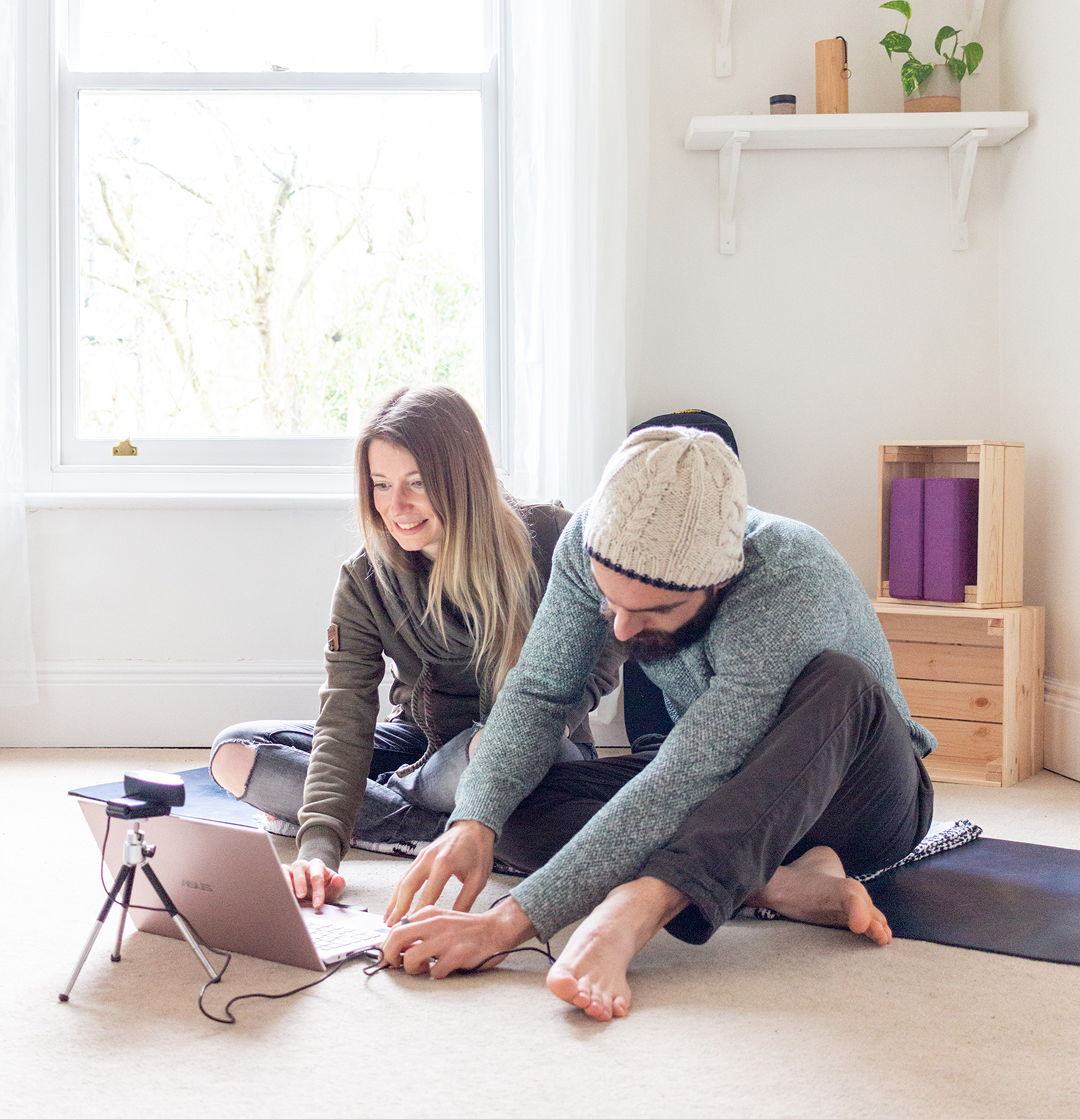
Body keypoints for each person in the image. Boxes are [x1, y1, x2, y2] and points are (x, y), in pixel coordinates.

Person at [377, 426, 937, 1021]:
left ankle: (643, 904)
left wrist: (510, 920)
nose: (619, 631)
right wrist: (475, 819)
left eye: (651, 612)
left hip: (855, 795)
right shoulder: (585, 541)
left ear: (718, 581)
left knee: (842, 682)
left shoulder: (790, 578)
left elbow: (688, 774)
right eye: (609, 603)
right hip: (714, 786)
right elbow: (539, 692)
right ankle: (765, 881)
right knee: (513, 802)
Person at [209, 384, 621, 909]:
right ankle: (446, 829)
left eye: (417, 483)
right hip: (419, 742)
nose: (394, 507)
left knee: (489, 751)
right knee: (235, 755)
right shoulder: (365, 578)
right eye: (380, 485)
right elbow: (345, 714)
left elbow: (602, 657)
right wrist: (316, 849)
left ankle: (415, 810)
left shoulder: (552, 537)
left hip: (533, 746)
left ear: (462, 478)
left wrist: (536, 731)